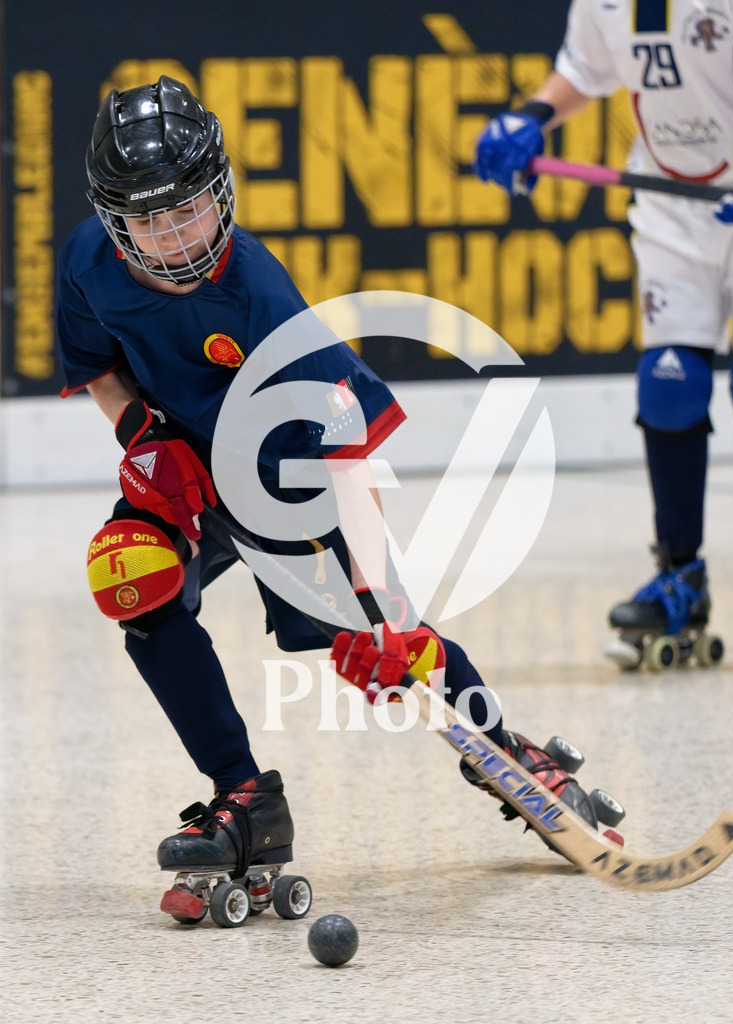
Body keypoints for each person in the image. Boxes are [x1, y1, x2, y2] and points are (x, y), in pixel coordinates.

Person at [57, 76, 619, 918]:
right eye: (149, 219)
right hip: (185, 467)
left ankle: (509, 755)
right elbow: (99, 369)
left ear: (220, 191)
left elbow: (349, 453)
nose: (174, 236)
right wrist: (141, 433)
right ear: (112, 221)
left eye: (189, 209)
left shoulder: (259, 296)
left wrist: (382, 609)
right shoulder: (87, 264)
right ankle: (245, 798)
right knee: (133, 582)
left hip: (288, 477)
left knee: (395, 648)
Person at [474, 0, 733, 669]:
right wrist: (532, 116)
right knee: (669, 384)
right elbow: (588, 67)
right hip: (671, 207)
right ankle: (680, 574)